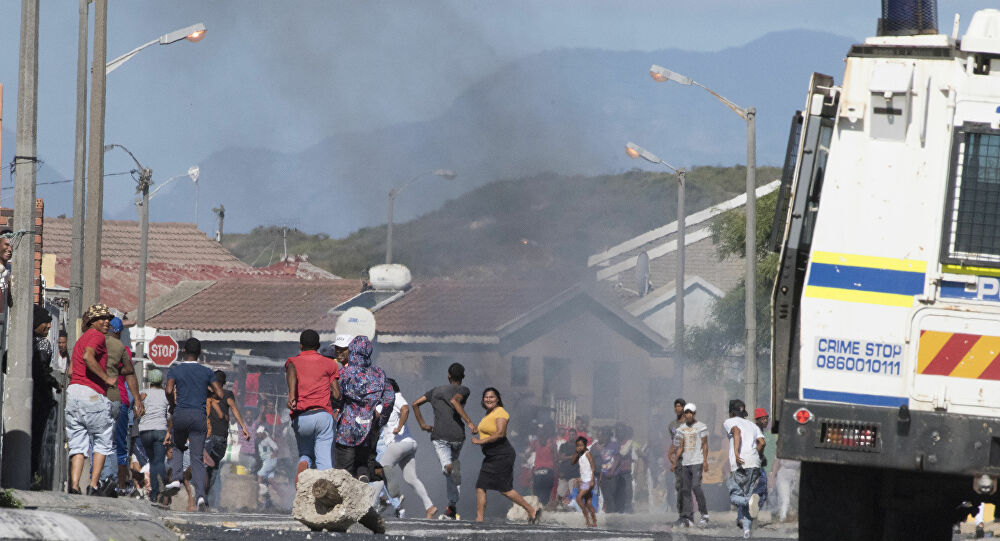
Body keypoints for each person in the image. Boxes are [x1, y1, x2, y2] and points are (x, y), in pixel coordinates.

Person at [161, 338, 224, 511]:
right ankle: (202, 497)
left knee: (179, 446)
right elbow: (219, 393)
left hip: (180, 414)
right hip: (199, 416)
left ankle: (175, 479)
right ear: (200, 353)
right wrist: (207, 393)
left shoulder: (176, 370)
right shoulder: (207, 372)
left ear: (183, 351)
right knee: (197, 458)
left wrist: (172, 404)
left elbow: (168, 390)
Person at [412, 362, 476, 519]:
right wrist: (469, 423)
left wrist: (422, 425)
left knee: (448, 468)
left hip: (440, 436)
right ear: (462, 377)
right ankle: (452, 506)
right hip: (458, 436)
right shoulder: (464, 390)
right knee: (452, 471)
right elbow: (456, 400)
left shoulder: (435, 391)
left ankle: (449, 468)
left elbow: (415, 404)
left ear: (448, 376)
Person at [65, 303, 117, 495]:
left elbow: (71, 371)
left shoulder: (80, 340)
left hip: (73, 393)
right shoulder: (97, 336)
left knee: (77, 442)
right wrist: (106, 378)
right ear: (92, 321)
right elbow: (88, 357)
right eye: (101, 318)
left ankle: (74, 485)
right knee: (103, 440)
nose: (105, 322)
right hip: (92, 393)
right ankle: (93, 485)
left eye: (108, 318)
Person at [471, 387, 539, 523]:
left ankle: (531, 509)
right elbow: (487, 429)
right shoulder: (488, 414)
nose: (488, 399)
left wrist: (481, 441)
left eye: (491, 397)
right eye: (486, 397)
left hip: (502, 454)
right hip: (491, 456)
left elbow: (500, 433)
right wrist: (476, 429)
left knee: (505, 490)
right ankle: (479, 519)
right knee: (480, 486)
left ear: (497, 399)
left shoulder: (501, 412)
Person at [334, 336, 394, 481]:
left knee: (343, 473)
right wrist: (381, 421)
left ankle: (345, 499)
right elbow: (389, 398)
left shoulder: (344, 373)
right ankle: (363, 476)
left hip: (347, 429)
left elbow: (336, 396)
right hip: (368, 427)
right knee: (362, 462)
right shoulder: (379, 374)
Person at [377, 378, 437, 518]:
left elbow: (405, 408)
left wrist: (398, 427)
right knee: (411, 478)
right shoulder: (384, 404)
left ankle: (393, 497)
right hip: (409, 444)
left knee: (379, 470)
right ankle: (429, 506)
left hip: (398, 445)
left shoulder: (395, 397)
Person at [286, 329, 340, 483]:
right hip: (323, 415)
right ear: (318, 345)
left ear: (300, 346)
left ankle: (304, 463)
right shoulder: (330, 364)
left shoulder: (293, 362)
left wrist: (291, 397)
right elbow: (336, 395)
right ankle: (325, 492)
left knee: (306, 452)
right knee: (324, 460)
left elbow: (291, 370)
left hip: (301, 417)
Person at [105, 316, 145, 495]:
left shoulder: (97, 347)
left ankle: (100, 480)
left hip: (99, 398)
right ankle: (118, 484)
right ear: (119, 333)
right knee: (119, 446)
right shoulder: (123, 350)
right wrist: (137, 399)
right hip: (119, 401)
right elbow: (130, 375)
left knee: (100, 442)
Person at [724, 399, 765, 539]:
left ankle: (748, 502)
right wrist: (756, 455)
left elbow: (736, 432)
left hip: (740, 463)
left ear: (731, 412)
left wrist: (736, 453)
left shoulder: (729, 421)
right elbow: (762, 442)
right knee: (748, 495)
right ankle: (747, 531)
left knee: (734, 496)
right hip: (754, 462)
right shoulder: (753, 425)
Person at [30, 304, 60, 488]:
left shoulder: (23, 341)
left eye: (50, 322)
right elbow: (41, 372)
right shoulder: (42, 344)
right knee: (36, 439)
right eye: (45, 322)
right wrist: (53, 383)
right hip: (38, 399)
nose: (49, 326)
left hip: (26, 399)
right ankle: (32, 475)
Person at [672, 402, 709, 527]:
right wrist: (675, 462)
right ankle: (689, 517)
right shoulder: (681, 429)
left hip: (697, 461)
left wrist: (705, 460)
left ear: (694, 413)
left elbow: (704, 444)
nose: (687, 415)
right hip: (685, 462)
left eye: (690, 413)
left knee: (696, 486)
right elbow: (680, 447)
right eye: (686, 413)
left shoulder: (701, 426)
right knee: (685, 489)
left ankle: (704, 513)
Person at [138, 369, 170, 504]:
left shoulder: (142, 393)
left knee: (152, 461)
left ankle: (152, 492)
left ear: (150, 381)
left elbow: (137, 411)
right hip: (160, 430)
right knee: (159, 461)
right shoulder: (165, 395)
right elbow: (169, 415)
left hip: (145, 431)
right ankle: (157, 491)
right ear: (161, 381)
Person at [572, 435, 598, 527]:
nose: (579, 447)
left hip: (588, 481)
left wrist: (592, 480)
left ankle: (587, 520)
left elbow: (592, 466)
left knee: (578, 498)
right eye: (578, 446)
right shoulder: (580, 455)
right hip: (584, 481)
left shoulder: (587, 453)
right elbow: (572, 462)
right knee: (588, 503)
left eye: (581, 445)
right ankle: (594, 521)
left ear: (585, 445)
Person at [530, 423, 558, 508]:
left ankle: (538, 511)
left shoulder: (537, 443)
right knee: (543, 495)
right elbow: (556, 459)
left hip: (540, 472)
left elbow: (527, 453)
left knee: (538, 495)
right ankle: (540, 511)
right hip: (547, 472)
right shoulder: (550, 443)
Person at [666, 398, 686, 513]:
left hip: (689, 458)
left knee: (687, 486)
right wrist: (671, 455)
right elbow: (674, 441)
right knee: (679, 486)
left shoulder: (689, 423)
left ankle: (688, 513)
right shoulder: (672, 425)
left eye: (680, 406)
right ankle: (681, 512)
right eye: (676, 406)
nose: (677, 408)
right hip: (678, 460)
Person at [753, 408, 774, 510]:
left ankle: (751, 510)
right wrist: (759, 456)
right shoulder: (756, 430)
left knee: (762, 491)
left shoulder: (759, 430)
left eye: (767, 419)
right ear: (757, 420)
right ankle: (751, 509)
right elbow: (760, 445)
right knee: (761, 490)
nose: (766, 421)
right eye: (763, 419)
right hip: (756, 465)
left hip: (757, 464)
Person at [598, 426, 619, 512]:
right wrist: (600, 476)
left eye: (606, 435)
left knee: (610, 495)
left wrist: (612, 471)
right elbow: (604, 462)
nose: (604, 437)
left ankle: (612, 514)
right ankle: (608, 513)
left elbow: (617, 459)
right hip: (604, 475)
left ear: (609, 436)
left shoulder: (614, 445)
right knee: (605, 496)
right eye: (603, 435)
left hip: (613, 475)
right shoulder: (603, 447)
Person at [557, 428, 581, 506]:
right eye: (570, 435)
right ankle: (560, 506)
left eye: (573, 435)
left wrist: (566, 457)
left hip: (574, 474)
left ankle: (575, 508)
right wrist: (571, 457)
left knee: (573, 493)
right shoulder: (563, 445)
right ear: (568, 435)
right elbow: (561, 457)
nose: (571, 436)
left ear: (576, 436)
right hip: (564, 474)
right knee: (560, 492)